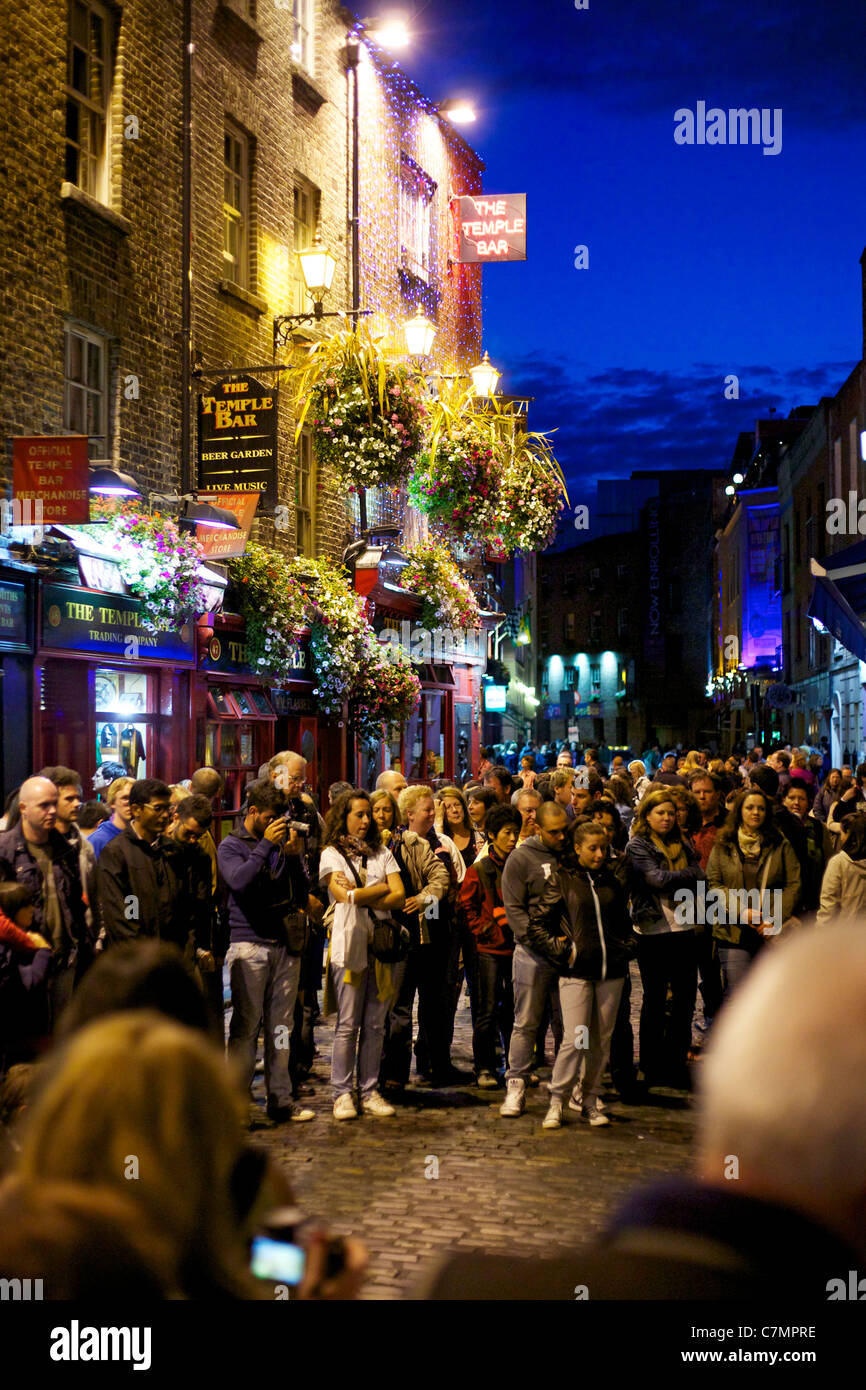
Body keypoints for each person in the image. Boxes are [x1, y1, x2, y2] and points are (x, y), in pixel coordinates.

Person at [218, 779, 314, 1125]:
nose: (277, 823)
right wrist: (265, 848)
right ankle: (237, 1103)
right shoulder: (231, 845)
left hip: (284, 945)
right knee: (246, 1027)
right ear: (254, 812)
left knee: (281, 1028)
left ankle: (281, 1100)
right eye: (272, 817)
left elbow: (301, 891)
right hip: (249, 945)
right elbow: (240, 882)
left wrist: (290, 858)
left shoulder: (280, 845)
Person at [527, 821, 632, 1129]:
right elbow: (537, 925)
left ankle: (589, 1100)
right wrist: (564, 951)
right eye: (593, 849)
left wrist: (626, 949)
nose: (600, 855)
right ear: (577, 848)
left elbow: (625, 923)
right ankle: (557, 1101)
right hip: (577, 972)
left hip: (611, 972)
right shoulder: (563, 880)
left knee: (600, 1041)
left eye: (604, 848)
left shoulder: (611, 881)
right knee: (576, 1039)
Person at [319, 790, 405, 1119]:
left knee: (375, 1023)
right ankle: (342, 1093)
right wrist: (378, 889)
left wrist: (365, 894)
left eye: (369, 814)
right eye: (360, 814)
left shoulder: (382, 852)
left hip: (380, 945)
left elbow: (398, 895)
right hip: (350, 944)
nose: (367, 820)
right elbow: (341, 895)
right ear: (344, 817)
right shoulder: (332, 854)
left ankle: (369, 1089)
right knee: (347, 1023)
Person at [625, 789, 704, 1090]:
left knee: (685, 999)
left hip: (685, 927)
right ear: (647, 815)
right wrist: (687, 875)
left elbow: (700, 874)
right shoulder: (638, 845)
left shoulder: (681, 842)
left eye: (671, 813)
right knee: (655, 999)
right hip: (653, 930)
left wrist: (683, 875)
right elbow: (655, 879)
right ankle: (651, 1062)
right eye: (661, 813)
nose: (668, 818)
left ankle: (674, 1062)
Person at [378, 787, 454, 1092]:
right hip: (386, 937)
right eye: (428, 810)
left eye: (385, 810)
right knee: (394, 1009)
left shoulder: (416, 844)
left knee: (427, 1005)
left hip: (423, 935)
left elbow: (442, 880)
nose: (434, 814)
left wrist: (423, 899)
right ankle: (390, 1071)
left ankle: (426, 1066)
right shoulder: (371, 848)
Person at [0, 776, 91, 1025]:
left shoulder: (68, 848)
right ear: (23, 809)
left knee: (62, 1033)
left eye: (54, 803)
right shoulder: (6, 850)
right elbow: (129, 898)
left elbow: (78, 898)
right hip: (24, 960)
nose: (52, 811)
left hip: (66, 956)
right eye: (44, 805)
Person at [499, 801, 570, 1117]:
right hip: (531, 951)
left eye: (563, 831)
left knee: (569, 1025)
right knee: (526, 1021)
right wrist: (543, 942)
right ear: (538, 829)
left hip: (568, 951)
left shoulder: (570, 853)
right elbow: (514, 911)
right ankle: (516, 1084)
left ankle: (569, 1087)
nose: (561, 837)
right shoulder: (521, 858)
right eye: (554, 832)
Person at [705, 788, 801, 999]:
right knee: (739, 997)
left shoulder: (779, 843)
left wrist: (773, 917)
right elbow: (714, 883)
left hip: (770, 930)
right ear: (740, 811)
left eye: (760, 808)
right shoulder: (724, 844)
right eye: (750, 808)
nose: (755, 812)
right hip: (733, 930)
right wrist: (741, 911)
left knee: (770, 995)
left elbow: (793, 883)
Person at [457, 804, 522, 1088]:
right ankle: (484, 1066)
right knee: (486, 1009)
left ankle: (514, 1064)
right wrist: (483, 929)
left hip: (518, 946)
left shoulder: (520, 864)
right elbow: (466, 904)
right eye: (507, 833)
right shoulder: (480, 869)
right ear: (493, 835)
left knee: (514, 1008)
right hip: (490, 949)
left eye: (515, 833)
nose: (512, 839)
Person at [96, 779, 185, 950]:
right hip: (135, 960)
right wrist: (142, 956)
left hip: (170, 956)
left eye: (168, 808)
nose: (166, 815)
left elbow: (182, 907)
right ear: (136, 810)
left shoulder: (172, 850)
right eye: (158, 809)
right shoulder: (117, 852)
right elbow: (123, 913)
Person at [38, 766, 99, 951]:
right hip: (44, 946)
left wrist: (99, 937)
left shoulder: (84, 845)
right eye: (69, 799)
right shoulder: (33, 846)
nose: (77, 804)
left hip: (82, 943)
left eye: (78, 798)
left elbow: (98, 895)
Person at [164, 794, 219, 980]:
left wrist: (204, 946)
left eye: (199, 836)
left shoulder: (200, 858)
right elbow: (132, 898)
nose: (193, 840)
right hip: (151, 944)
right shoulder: (154, 852)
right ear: (175, 817)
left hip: (184, 945)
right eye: (189, 833)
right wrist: (133, 928)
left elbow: (203, 905)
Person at [0, 882, 52, 1075]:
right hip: (18, 1042)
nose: (32, 909)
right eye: (26, 905)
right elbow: (30, 983)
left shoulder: (24, 939)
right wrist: (44, 952)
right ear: (12, 910)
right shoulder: (9, 947)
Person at [776, 783, 833, 917]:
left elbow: (828, 862)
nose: (796, 803)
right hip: (782, 901)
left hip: (812, 901)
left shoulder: (818, 828)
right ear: (784, 800)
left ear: (809, 802)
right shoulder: (776, 827)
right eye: (792, 798)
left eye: (802, 799)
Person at [816, 811, 866, 925]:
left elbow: (828, 907)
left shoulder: (838, 863)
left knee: (772, 936)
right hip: (861, 934)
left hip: (843, 935)